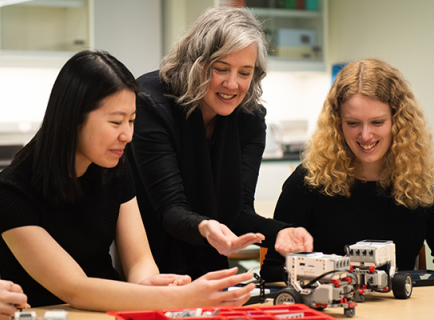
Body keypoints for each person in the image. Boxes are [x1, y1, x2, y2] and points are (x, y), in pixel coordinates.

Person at [0, 50, 256, 310]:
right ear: (71, 120)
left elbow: (139, 260)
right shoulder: (9, 193)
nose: (127, 135)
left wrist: (147, 285)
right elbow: (75, 289)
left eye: (132, 120)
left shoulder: (113, 168)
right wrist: (181, 296)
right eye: (116, 122)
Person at [128, 6, 313, 280]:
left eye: (244, 72)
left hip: (215, 268)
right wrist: (205, 226)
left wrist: (280, 231)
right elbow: (170, 209)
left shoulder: (249, 118)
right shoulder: (152, 102)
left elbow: (238, 212)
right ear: (196, 63)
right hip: (152, 267)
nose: (232, 84)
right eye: (221, 68)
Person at [260, 58, 434, 283]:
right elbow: (271, 271)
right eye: (353, 123)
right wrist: (321, 272)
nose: (365, 135)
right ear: (337, 123)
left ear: (398, 121)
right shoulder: (307, 182)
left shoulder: (425, 179)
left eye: (377, 122)